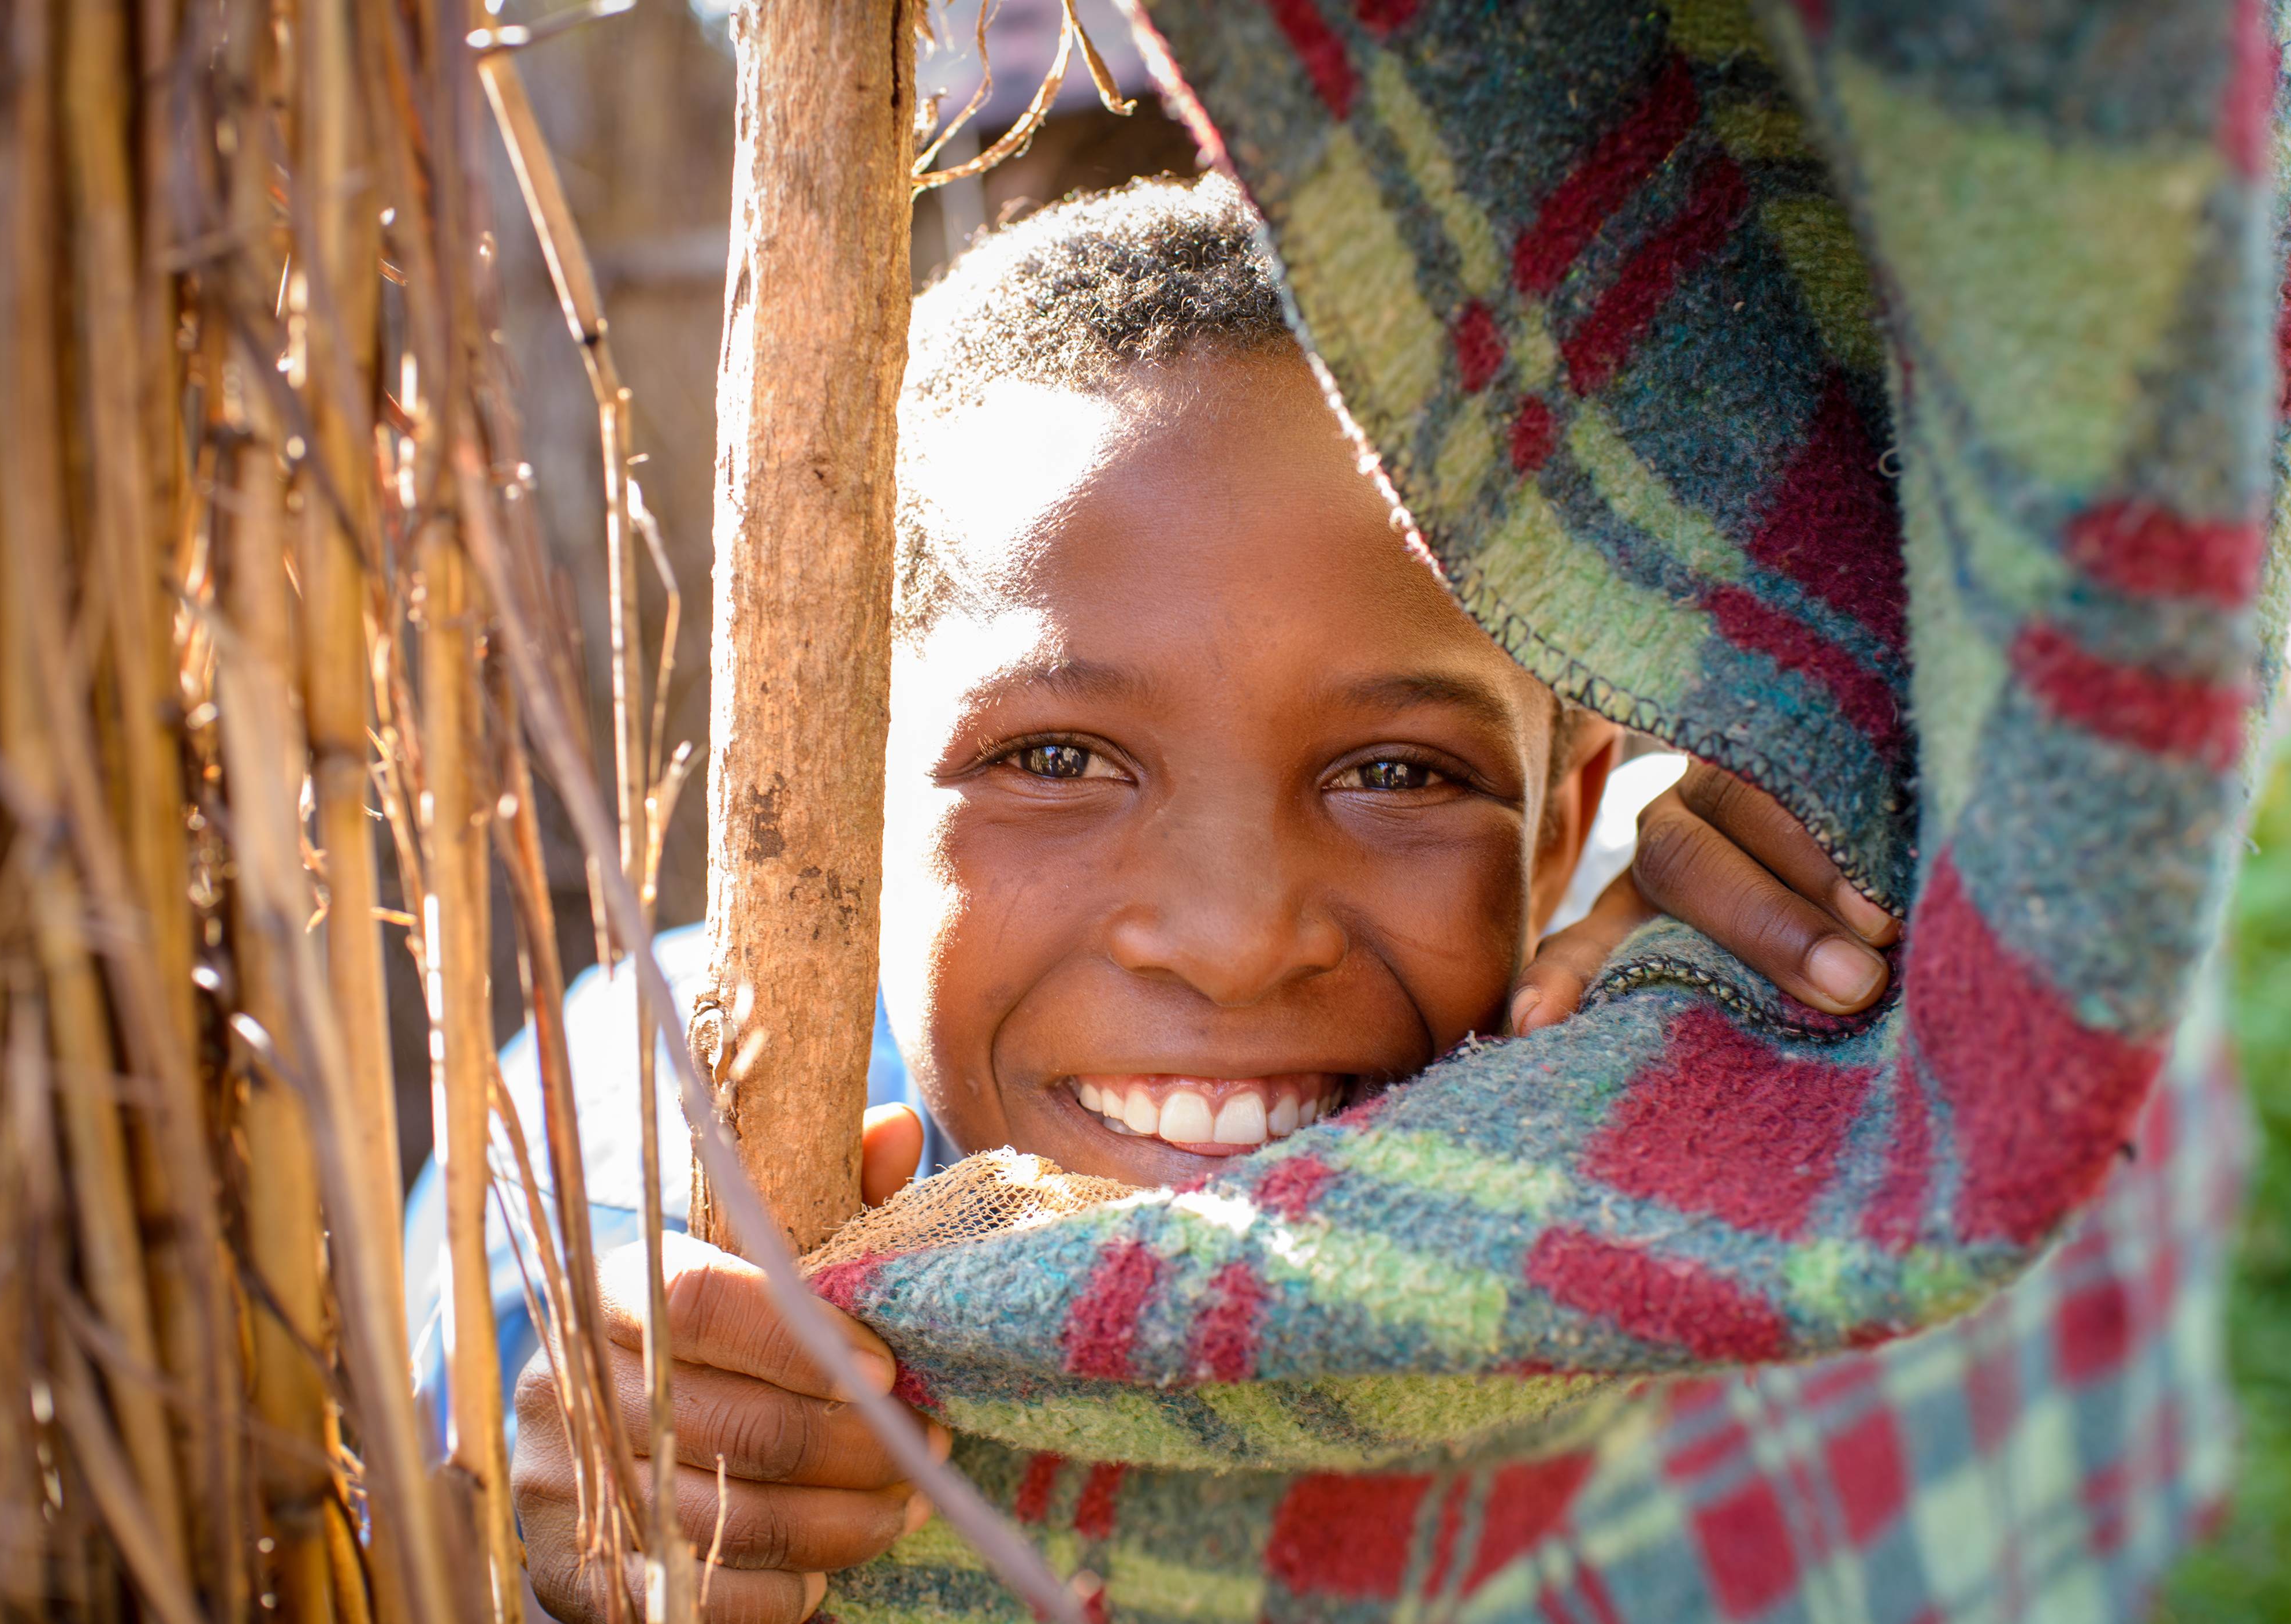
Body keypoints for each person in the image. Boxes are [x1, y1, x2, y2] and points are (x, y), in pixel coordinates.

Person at [431, 177, 1900, 1623]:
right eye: (1056, 757)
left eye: (1396, 771)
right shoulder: (636, 1142)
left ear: (1560, 823)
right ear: (834, 796)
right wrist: (553, 1471)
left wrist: (1780, 1004)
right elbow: (496, 1360)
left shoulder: (1656, 1139)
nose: (1232, 938)